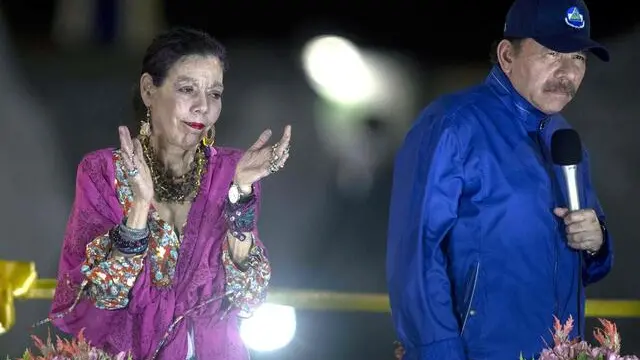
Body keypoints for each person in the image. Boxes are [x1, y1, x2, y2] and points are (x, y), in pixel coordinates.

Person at [43, 27, 292, 360]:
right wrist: (139, 208)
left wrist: (242, 194)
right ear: (149, 90)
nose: (203, 106)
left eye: (215, 93)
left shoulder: (232, 173)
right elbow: (97, 299)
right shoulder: (102, 172)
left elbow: (248, 297)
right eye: (188, 89)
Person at [386, 0, 613, 359]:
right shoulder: (453, 125)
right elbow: (416, 255)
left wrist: (596, 242)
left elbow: (587, 258)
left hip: (558, 350)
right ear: (507, 55)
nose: (567, 72)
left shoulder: (565, 139)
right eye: (552, 53)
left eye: (579, 58)